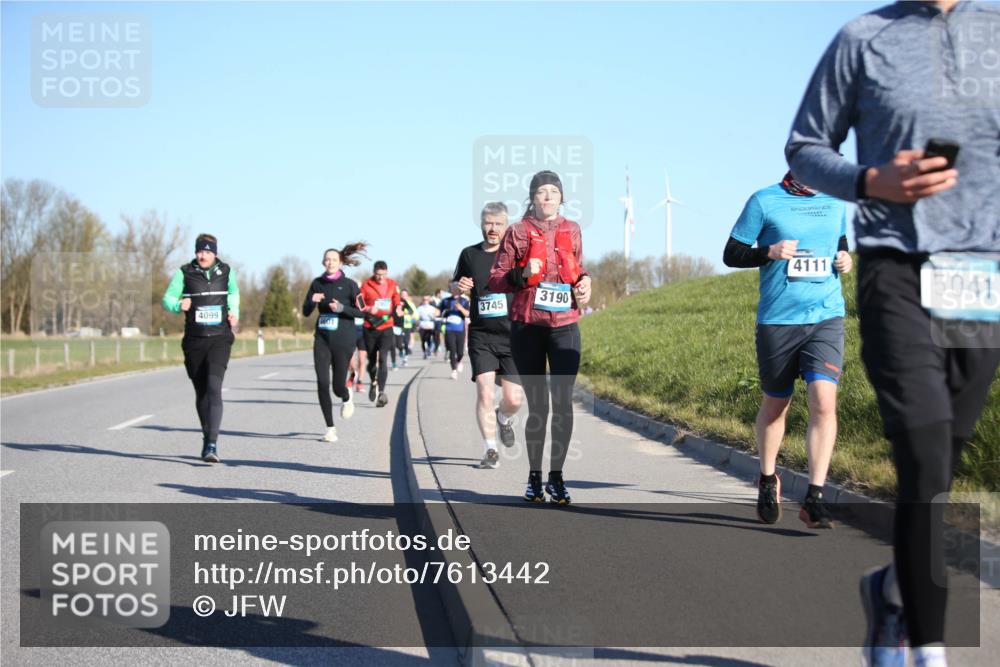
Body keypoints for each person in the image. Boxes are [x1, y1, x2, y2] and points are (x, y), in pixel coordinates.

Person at [785, 2, 1000, 665]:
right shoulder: (863, 39)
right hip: (894, 264)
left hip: (981, 273)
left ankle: (892, 591)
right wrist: (871, 180)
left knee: (944, 453)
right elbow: (805, 146)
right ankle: (927, 649)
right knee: (926, 460)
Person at [723, 171, 851, 528]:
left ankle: (815, 497)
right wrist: (769, 252)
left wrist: (845, 258)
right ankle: (767, 478)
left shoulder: (835, 200)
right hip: (778, 320)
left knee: (824, 401)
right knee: (777, 404)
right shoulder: (764, 200)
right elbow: (731, 253)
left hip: (826, 315)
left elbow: (838, 241)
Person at [488, 170, 591, 504]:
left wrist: (585, 283)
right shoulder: (517, 232)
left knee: (563, 404)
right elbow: (497, 280)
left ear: (562, 197)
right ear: (532, 197)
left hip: (565, 325)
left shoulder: (572, 229)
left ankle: (557, 478)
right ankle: (534, 477)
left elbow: (578, 268)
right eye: (541, 192)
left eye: (553, 191)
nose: (547, 196)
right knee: (539, 407)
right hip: (528, 326)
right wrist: (521, 274)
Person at [454, 201, 524, 469]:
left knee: (514, 399)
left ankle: (504, 418)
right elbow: (455, 283)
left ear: (506, 226)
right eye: (488, 223)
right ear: (481, 224)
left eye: (497, 224)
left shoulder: (516, 255)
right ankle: (490, 450)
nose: (492, 229)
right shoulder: (469, 254)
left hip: (513, 336)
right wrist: (459, 286)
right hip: (482, 335)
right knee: (484, 393)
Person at [161, 233, 239, 463]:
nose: (203, 255)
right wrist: (177, 304)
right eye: (199, 251)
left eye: (207, 251)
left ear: (215, 252)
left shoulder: (226, 271)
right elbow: (167, 298)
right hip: (194, 341)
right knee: (202, 391)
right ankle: (207, 437)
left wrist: (234, 311)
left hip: (219, 338)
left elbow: (233, 292)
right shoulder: (184, 272)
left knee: (214, 387)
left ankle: (212, 443)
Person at [302, 243, 368, 442]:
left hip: (344, 340)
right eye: (327, 259)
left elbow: (362, 311)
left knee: (337, 387)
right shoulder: (316, 283)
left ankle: (346, 396)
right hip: (322, 339)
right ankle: (330, 428)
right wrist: (312, 301)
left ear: (340, 263)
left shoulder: (349, 285)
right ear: (323, 262)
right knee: (322, 383)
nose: (330, 262)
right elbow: (306, 312)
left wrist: (342, 309)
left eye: (334, 259)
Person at [360, 260, 401, 407]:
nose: (380, 278)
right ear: (373, 272)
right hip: (370, 326)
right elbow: (359, 303)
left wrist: (398, 307)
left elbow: (396, 299)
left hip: (386, 326)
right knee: (372, 360)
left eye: (383, 275)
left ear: (387, 272)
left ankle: (381, 392)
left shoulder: (392, 284)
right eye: (378, 275)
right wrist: (368, 309)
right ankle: (373, 382)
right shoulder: (366, 285)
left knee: (383, 358)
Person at [439, 282, 470, 380]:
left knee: (460, 352)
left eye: (456, 289)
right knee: (452, 350)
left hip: (460, 329)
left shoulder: (464, 301)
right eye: (453, 289)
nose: (455, 290)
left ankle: (459, 361)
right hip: (449, 329)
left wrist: (460, 308)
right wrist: (440, 313)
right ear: (451, 290)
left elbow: (467, 314)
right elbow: (439, 312)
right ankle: (454, 371)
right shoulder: (445, 301)